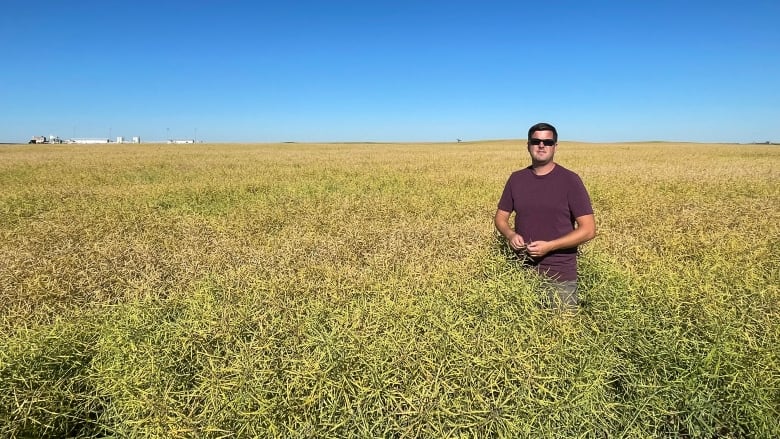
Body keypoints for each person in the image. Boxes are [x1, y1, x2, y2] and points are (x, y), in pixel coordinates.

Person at [494, 122, 595, 311]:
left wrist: (549, 246)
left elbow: (588, 230)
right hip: (522, 273)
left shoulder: (570, 180)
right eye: (536, 141)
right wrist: (510, 235)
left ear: (555, 146)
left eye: (548, 142)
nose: (542, 145)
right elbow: (500, 217)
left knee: (562, 334)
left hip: (560, 277)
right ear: (528, 145)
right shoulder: (516, 179)